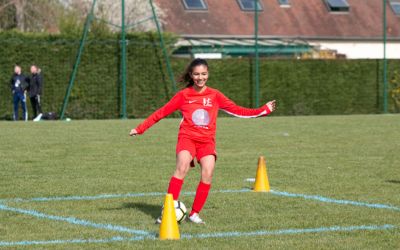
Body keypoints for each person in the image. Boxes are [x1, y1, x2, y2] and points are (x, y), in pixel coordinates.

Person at [129, 58, 276, 224]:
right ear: (191, 75)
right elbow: (161, 113)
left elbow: (238, 111)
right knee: (182, 167)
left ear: (208, 74)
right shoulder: (183, 96)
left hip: (206, 141)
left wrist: (263, 110)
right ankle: (167, 211)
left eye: (204, 74)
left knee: (208, 172)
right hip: (187, 138)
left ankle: (194, 214)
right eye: (197, 74)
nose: (200, 77)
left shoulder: (215, 95)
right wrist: (140, 129)